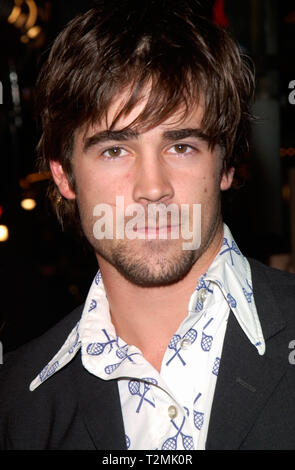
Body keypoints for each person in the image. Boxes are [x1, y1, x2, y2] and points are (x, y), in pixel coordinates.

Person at [1, 0, 295, 451]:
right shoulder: (16, 406)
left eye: (181, 146)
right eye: (114, 150)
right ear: (64, 175)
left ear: (226, 166)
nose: (152, 187)